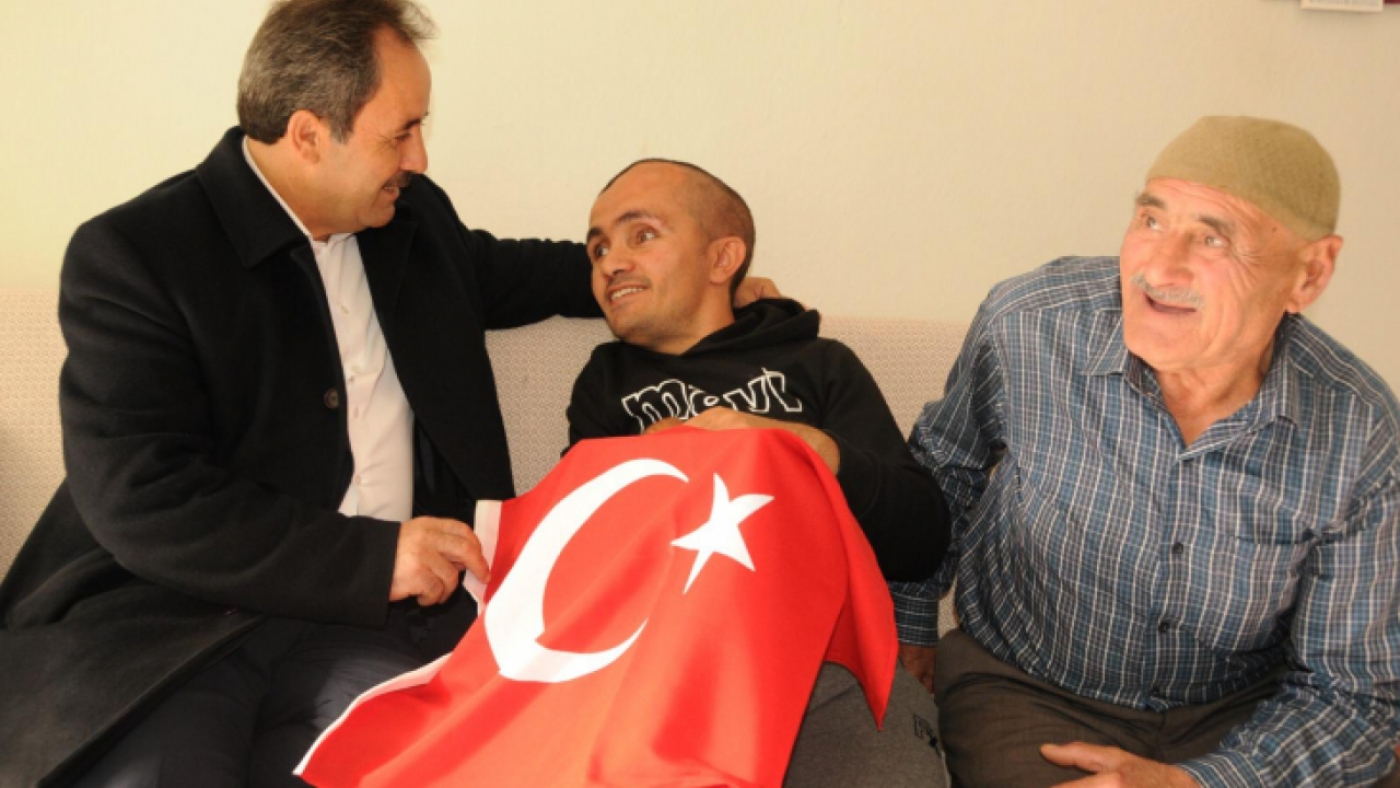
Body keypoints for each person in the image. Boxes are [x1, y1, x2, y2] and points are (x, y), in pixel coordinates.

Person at [0, 3, 771, 785]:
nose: (420, 157)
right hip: (176, 630)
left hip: (384, 634)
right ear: (309, 136)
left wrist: (684, 280)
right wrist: (375, 559)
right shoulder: (137, 256)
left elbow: (517, 271)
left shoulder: (411, 221)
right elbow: (143, 497)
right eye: (401, 133)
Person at [893, 116, 1400, 787]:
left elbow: (1354, 693)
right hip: (1028, 690)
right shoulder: (1029, 325)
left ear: (1310, 272)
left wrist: (1203, 782)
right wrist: (908, 628)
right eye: (1151, 220)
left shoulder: (1359, 430)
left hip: (1244, 711)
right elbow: (940, 471)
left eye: (1214, 238)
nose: (1158, 269)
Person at [567, 158, 953, 786]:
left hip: (830, 667)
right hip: (659, 672)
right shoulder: (604, 384)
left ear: (723, 259)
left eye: (642, 235)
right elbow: (578, 554)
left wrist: (809, 449)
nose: (610, 263)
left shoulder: (818, 362)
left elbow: (923, 537)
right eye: (598, 249)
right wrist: (643, 467)